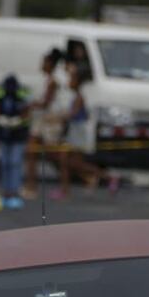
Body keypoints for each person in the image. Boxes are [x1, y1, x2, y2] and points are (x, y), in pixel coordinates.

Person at [54, 63, 118, 199]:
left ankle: (105, 176)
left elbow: (74, 114)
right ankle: (66, 189)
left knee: (71, 162)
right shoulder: (77, 96)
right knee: (67, 161)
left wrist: (59, 117)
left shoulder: (79, 97)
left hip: (77, 133)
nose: (69, 82)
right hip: (75, 132)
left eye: (72, 79)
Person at [24, 49, 66, 200]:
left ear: (50, 64)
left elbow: (46, 102)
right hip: (42, 121)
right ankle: (31, 186)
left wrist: (30, 106)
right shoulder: (46, 80)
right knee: (31, 152)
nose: (41, 65)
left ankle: (69, 183)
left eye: (44, 62)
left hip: (49, 121)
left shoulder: (53, 81)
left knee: (53, 154)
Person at [0, 74, 30, 209]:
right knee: (4, 163)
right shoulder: (0, 97)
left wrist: (17, 121)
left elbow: (26, 111)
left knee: (15, 163)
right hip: (4, 135)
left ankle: (14, 192)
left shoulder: (21, 97)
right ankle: (5, 192)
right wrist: (0, 119)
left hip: (17, 136)